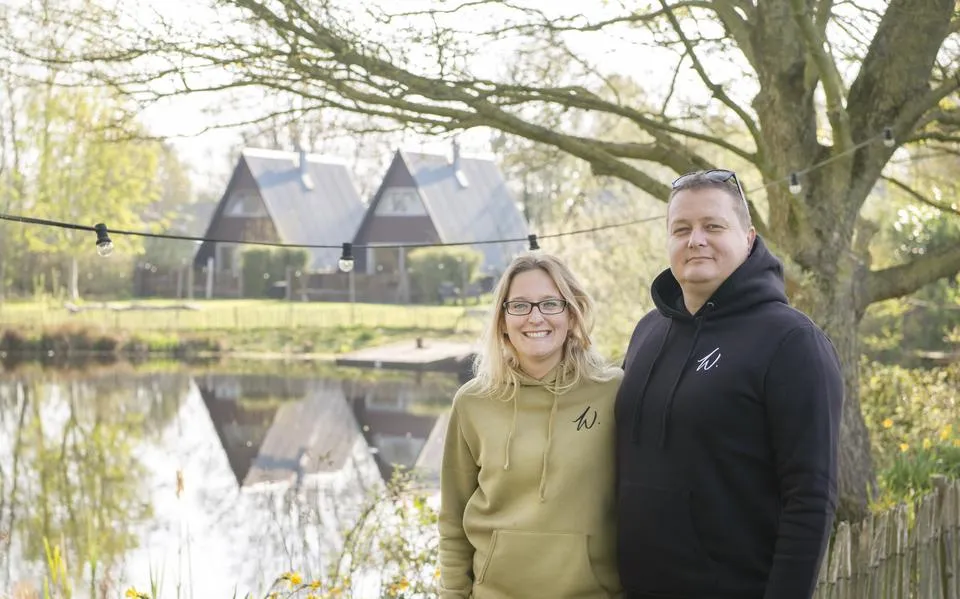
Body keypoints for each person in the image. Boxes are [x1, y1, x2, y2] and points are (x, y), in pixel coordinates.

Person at [614, 170, 843, 599]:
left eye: (713, 226)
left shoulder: (792, 343)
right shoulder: (647, 331)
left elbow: (811, 499)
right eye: (681, 229)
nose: (695, 240)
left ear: (748, 237)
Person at [439, 252, 623, 599]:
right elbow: (452, 520)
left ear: (571, 314)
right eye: (520, 306)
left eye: (550, 304)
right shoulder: (472, 402)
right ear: (502, 320)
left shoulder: (612, 391)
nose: (535, 317)